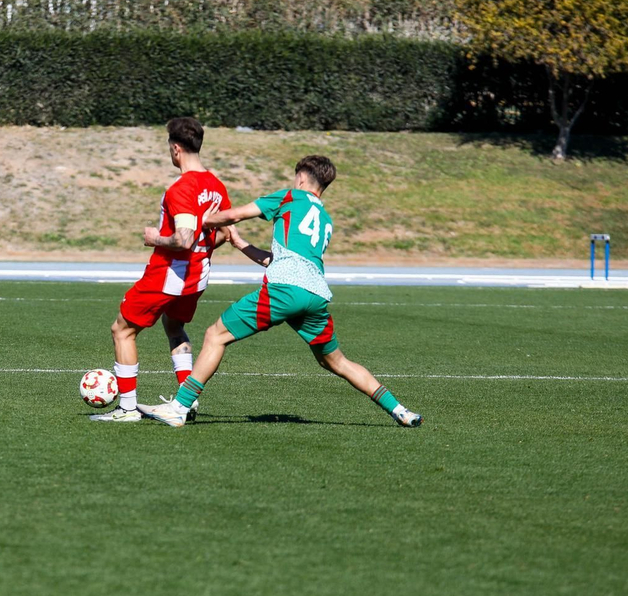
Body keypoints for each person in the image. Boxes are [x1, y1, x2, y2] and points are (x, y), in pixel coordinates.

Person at [139, 155, 423, 429]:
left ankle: (179, 408)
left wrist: (200, 221)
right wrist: (241, 245)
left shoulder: (290, 196)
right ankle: (400, 410)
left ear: (301, 178)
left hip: (284, 291)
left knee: (216, 335)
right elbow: (280, 260)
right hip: (315, 297)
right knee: (336, 361)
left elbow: (235, 215)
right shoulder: (324, 218)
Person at [90, 116, 235, 424]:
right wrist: (202, 249)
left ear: (176, 148)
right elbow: (224, 232)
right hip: (198, 276)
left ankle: (127, 408)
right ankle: (185, 402)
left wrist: (155, 238)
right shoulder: (215, 185)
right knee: (174, 327)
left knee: (122, 330)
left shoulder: (182, 188)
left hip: (169, 274)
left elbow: (182, 239)